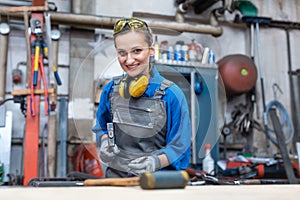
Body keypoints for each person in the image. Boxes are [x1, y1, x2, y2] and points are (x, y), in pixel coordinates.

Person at [92, 17, 191, 178]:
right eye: (122, 53)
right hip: (116, 182)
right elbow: (102, 128)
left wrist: (156, 162)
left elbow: (180, 147)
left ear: (152, 50)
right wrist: (104, 142)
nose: (129, 60)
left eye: (137, 51)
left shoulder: (171, 95)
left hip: (155, 184)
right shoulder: (110, 90)